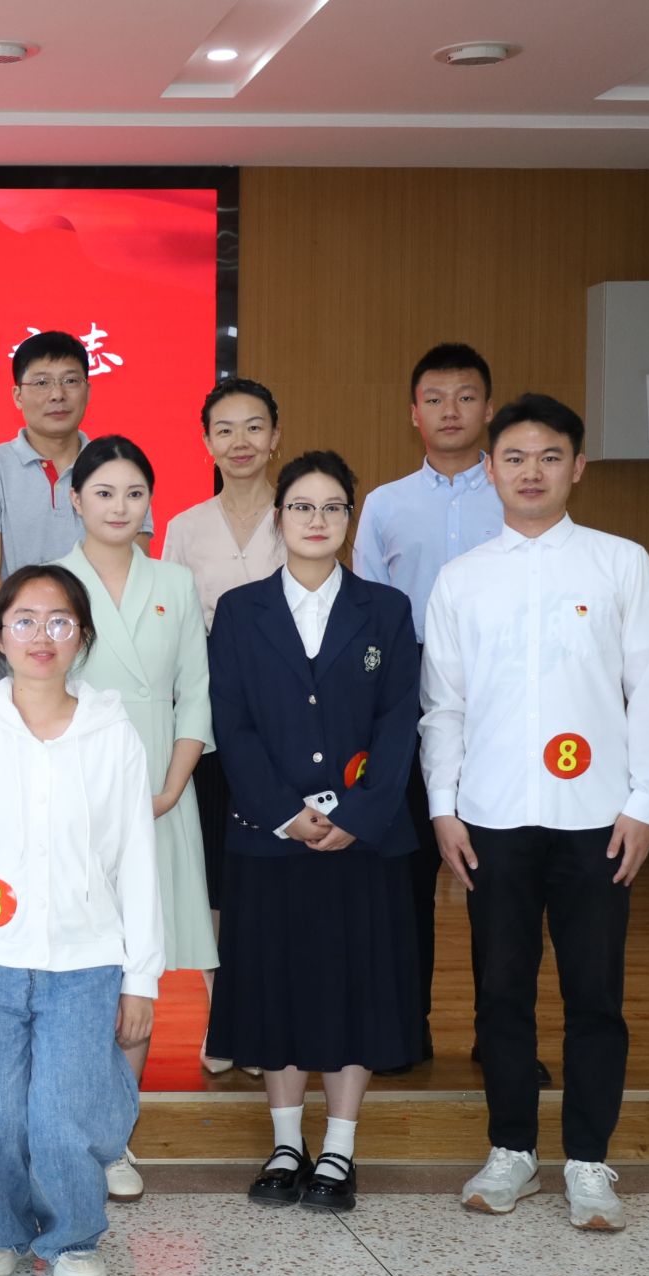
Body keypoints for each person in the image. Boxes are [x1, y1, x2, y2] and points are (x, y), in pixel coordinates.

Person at [424, 395, 649, 1233]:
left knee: (594, 993)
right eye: (514, 457)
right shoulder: (462, 578)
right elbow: (444, 705)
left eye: (548, 456)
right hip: (492, 818)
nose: (530, 472)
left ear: (577, 465)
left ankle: (588, 1160)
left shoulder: (621, 564)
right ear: (490, 469)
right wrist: (443, 806)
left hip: (596, 818)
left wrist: (645, 803)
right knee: (500, 991)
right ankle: (511, 1149)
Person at [0, 563, 165, 1276]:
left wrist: (141, 977)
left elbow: (136, 861)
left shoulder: (113, 735)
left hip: (85, 963)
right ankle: (2, 1225)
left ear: (82, 636)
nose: (41, 636)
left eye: (59, 621)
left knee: (63, 1117)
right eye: (24, 620)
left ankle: (74, 1235)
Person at [205, 450, 423, 1215]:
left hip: (364, 838)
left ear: (349, 520)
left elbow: (399, 722)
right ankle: (285, 1143)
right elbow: (231, 721)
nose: (317, 519)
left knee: (355, 987)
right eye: (303, 506)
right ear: (279, 518)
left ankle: (339, 1149)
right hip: (270, 835)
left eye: (333, 506)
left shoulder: (386, 609)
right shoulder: (240, 610)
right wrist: (283, 811)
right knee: (277, 986)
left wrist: (357, 815)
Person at [57, 435, 213, 1201]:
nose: (120, 506)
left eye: (134, 492)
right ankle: (69, 1134)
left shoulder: (174, 582)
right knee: (76, 970)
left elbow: (196, 694)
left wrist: (171, 786)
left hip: (160, 799)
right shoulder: (54, 584)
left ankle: (116, 1139)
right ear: (75, 499)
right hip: (71, 802)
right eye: (104, 492)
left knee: (138, 970)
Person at [352, 343, 509, 1077]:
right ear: (413, 412)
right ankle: (404, 1029)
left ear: (488, 408)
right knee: (407, 876)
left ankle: (498, 1034)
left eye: (466, 397)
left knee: (498, 881)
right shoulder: (385, 504)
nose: (451, 411)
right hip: (407, 702)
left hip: (499, 699)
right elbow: (364, 616)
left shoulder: (516, 494)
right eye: (436, 398)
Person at [159, 377, 287, 1075]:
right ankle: (224, 1013)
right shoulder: (185, 526)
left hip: (287, 717)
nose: (240, 442)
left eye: (254, 426)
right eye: (225, 429)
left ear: (275, 436)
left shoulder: (300, 510)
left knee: (269, 867)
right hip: (209, 718)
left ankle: (268, 1011)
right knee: (213, 870)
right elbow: (175, 629)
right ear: (206, 441)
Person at [0, 331, 151, 681]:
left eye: (70, 381)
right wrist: (40, 648)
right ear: (17, 395)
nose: (57, 394)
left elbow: (132, 570)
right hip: (12, 673)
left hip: (104, 668)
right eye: (42, 382)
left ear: (88, 390)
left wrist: (81, 651)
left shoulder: (117, 465)